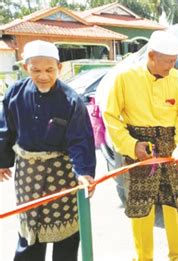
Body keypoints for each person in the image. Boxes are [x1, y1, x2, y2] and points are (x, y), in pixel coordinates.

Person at [0, 40, 96, 261]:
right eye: (36, 70)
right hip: (29, 176)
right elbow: (5, 129)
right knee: (29, 233)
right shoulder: (15, 93)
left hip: (62, 176)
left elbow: (81, 140)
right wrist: (2, 160)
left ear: (59, 68)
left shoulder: (71, 100)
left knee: (67, 237)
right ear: (26, 68)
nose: (43, 76)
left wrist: (84, 172)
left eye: (49, 70)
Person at [103, 30, 178, 261]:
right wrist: (131, 146)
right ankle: (143, 258)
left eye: (174, 61)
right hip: (140, 147)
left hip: (170, 146)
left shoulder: (177, 78)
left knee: (173, 201)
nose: (172, 66)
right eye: (168, 61)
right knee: (142, 207)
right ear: (151, 55)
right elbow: (110, 116)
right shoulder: (124, 78)